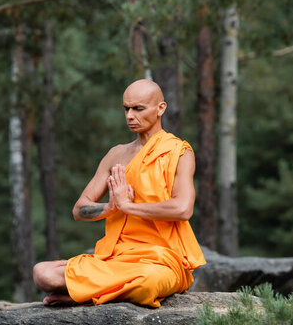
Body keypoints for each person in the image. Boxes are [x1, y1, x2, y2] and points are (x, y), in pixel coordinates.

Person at [32, 79, 205, 307]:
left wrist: (128, 207)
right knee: (42, 273)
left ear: (160, 108)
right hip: (115, 259)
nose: (130, 116)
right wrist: (109, 207)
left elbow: (183, 209)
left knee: (149, 283)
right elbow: (79, 210)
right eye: (126, 108)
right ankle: (97, 291)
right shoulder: (116, 155)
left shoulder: (179, 152)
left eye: (138, 109)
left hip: (160, 261)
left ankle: (86, 294)